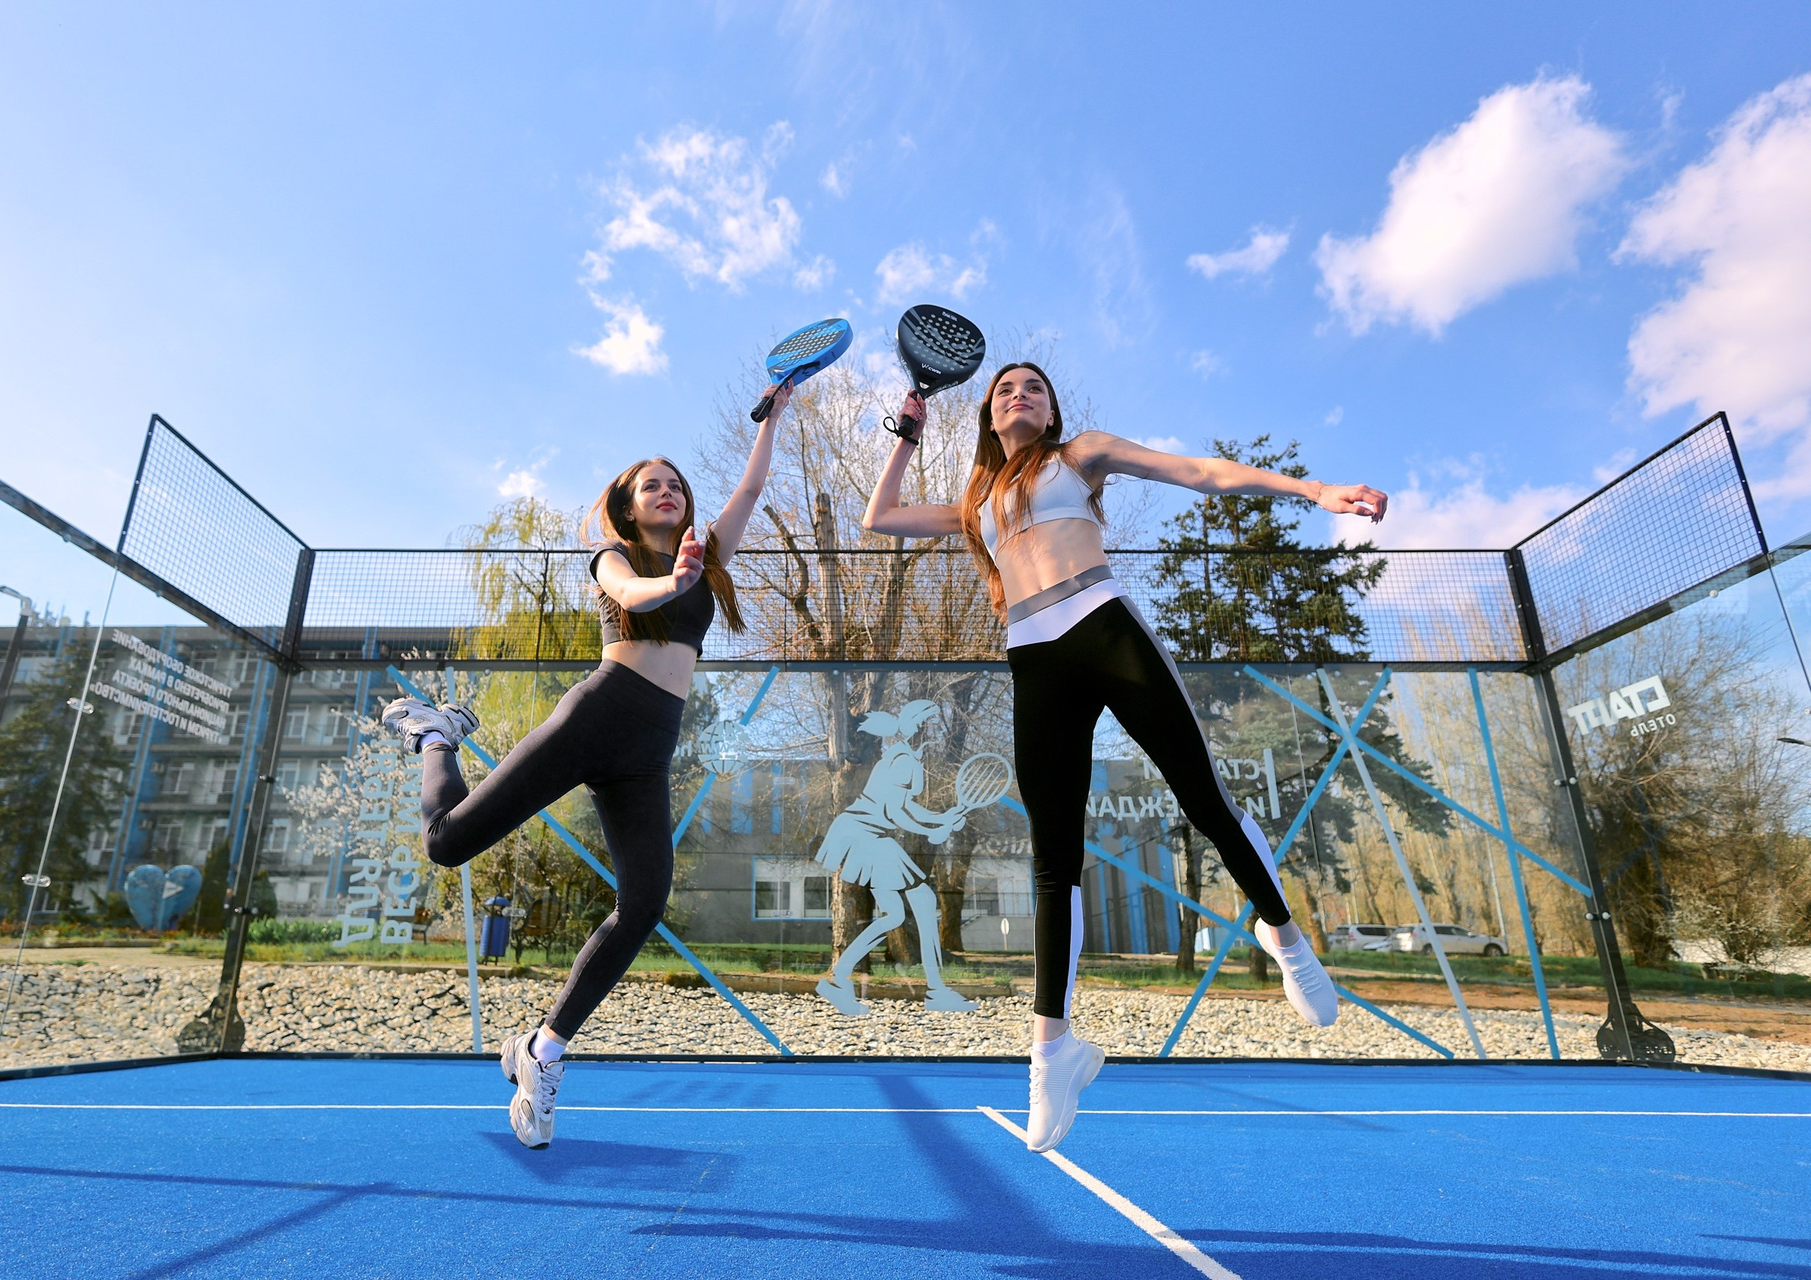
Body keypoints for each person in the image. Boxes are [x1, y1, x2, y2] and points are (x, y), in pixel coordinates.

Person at [862, 362, 1387, 1152]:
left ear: (1051, 412)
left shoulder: (1081, 456)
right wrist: (906, 437)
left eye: (1033, 388)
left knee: (1204, 800)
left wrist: (1314, 492)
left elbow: (1200, 473)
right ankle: (1052, 1056)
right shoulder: (977, 501)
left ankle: (1285, 937)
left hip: (1104, 627)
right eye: (1005, 390)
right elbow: (880, 517)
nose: (1019, 395)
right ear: (989, 416)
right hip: (1034, 658)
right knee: (1053, 859)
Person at [380, 382, 792, 1150]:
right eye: (651, 486)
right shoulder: (617, 558)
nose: (667, 491)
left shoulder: (707, 555)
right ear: (629, 508)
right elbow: (632, 592)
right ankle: (436, 736)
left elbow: (750, 488)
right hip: (598, 715)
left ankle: (543, 1050)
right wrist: (674, 582)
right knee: (447, 844)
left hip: (650, 747)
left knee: (645, 902)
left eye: (675, 484)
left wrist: (774, 415)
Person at [813, 700, 978, 1015]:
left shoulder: (904, 758)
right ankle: (936, 991)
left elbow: (905, 806)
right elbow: (895, 812)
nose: (930, 731)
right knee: (923, 901)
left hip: (865, 833)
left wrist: (941, 819)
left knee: (895, 916)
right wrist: (931, 829)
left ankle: (838, 978)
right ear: (910, 727)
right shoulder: (902, 760)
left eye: (932, 724)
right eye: (926, 724)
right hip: (867, 834)